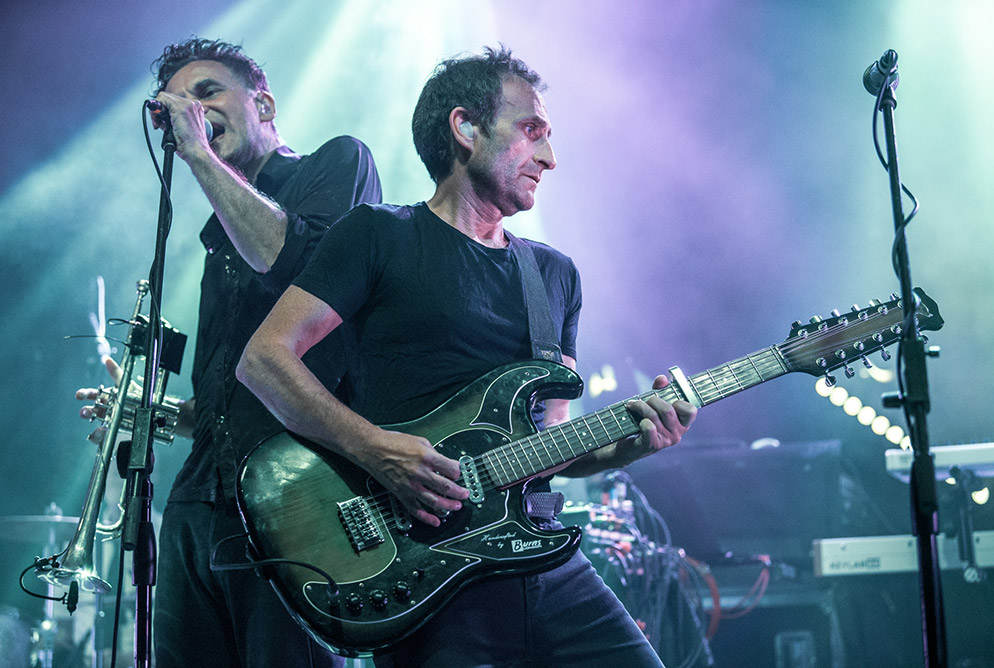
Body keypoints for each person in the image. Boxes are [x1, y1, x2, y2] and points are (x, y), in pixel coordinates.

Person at [236, 46, 696, 667]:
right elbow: (264, 360)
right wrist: (376, 449)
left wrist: (638, 441)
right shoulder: (379, 234)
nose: (550, 158)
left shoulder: (554, 275)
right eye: (532, 131)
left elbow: (552, 444)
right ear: (466, 128)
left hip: (541, 558)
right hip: (425, 564)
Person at [76, 37, 381, 667]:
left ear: (263, 104)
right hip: (199, 500)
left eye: (208, 92)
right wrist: (159, 413)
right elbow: (229, 394)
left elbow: (290, 261)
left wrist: (196, 156)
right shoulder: (220, 233)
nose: (192, 110)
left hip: (295, 498)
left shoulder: (335, 163)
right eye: (178, 103)